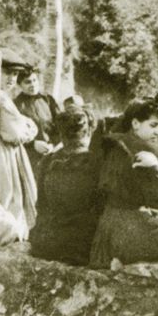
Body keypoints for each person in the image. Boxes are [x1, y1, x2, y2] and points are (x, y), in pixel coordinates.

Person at [90, 98, 158, 266]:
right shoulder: (140, 151)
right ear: (135, 123)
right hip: (127, 228)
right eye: (153, 125)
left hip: (108, 224)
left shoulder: (115, 142)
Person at [30, 106, 104, 266]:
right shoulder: (98, 163)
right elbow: (101, 209)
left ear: (61, 135)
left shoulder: (46, 162)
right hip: (80, 246)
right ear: (88, 132)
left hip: (46, 242)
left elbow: (41, 205)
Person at [0, 60, 41, 229]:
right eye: (7, 73)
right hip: (3, 155)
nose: (11, 78)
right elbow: (15, 133)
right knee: (9, 196)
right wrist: (30, 127)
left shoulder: (1, 96)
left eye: (15, 74)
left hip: (4, 152)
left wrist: (23, 123)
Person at [13, 64, 62, 174]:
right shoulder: (16, 105)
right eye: (27, 82)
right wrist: (33, 144)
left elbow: (60, 125)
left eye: (35, 80)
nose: (33, 85)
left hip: (53, 153)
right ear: (19, 85)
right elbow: (14, 133)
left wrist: (53, 144)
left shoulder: (48, 100)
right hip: (29, 157)